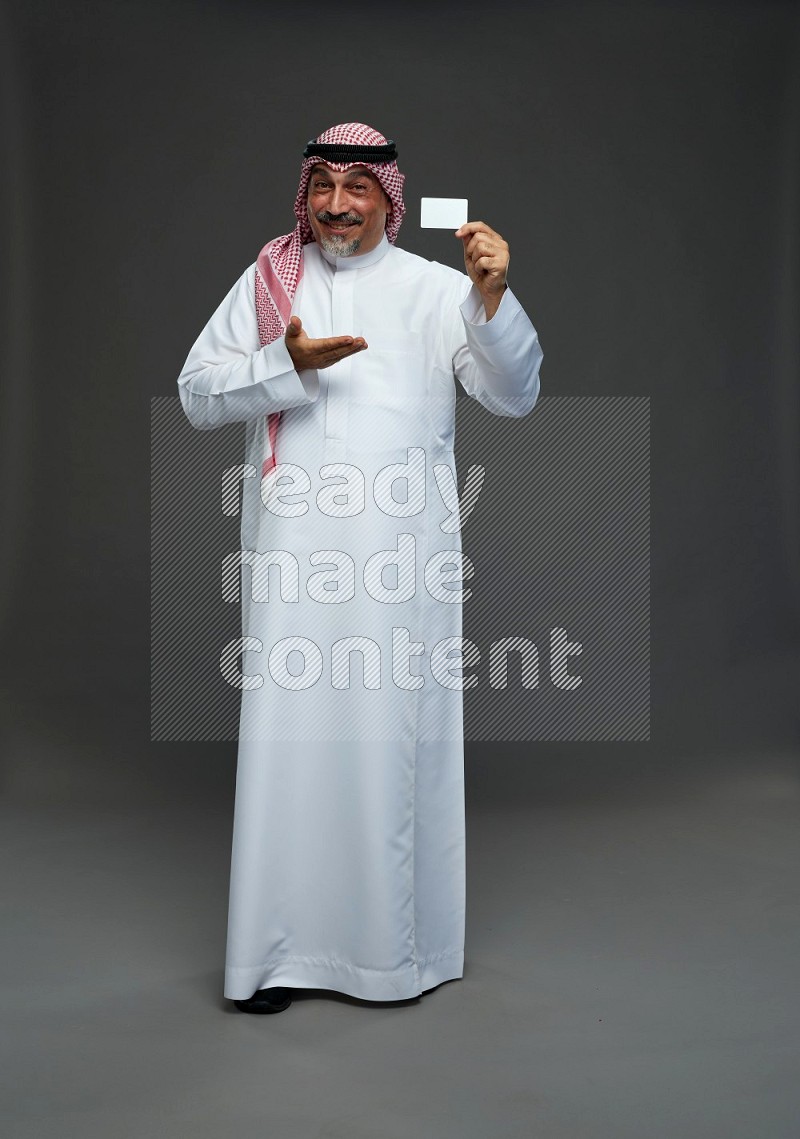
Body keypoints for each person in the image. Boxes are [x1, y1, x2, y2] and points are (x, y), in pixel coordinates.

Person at [176, 122, 543, 1014]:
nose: (338, 204)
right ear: (305, 194)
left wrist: (495, 301)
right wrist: (282, 362)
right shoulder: (272, 283)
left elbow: (515, 393)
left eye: (357, 187)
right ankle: (271, 956)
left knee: (387, 749)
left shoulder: (436, 290)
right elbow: (196, 393)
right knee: (287, 751)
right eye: (323, 187)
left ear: (390, 195)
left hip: (396, 567)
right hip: (294, 564)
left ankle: (388, 958)